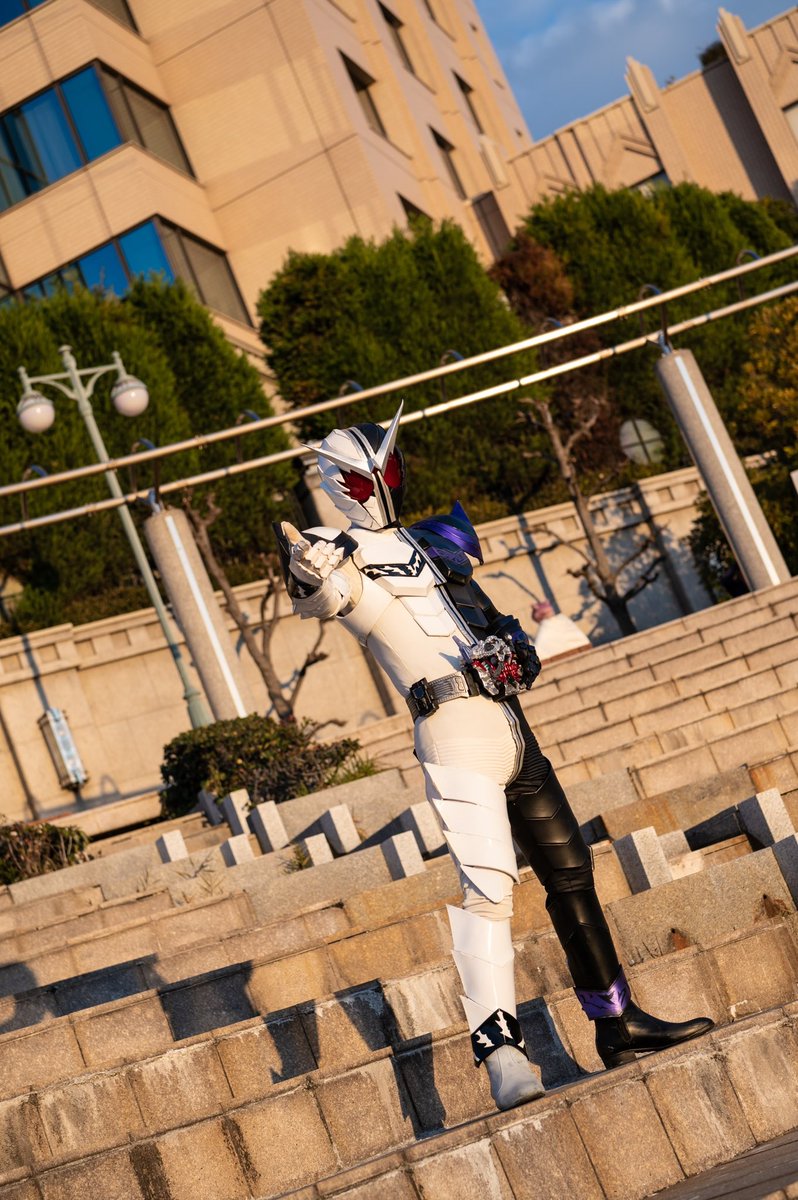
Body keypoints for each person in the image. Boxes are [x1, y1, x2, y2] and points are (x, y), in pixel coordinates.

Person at [274, 404, 713, 1111]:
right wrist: (308, 568)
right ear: (339, 483)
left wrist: (517, 651)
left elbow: (496, 620)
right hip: (453, 735)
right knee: (488, 888)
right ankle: (503, 1054)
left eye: (389, 466)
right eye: (367, 473)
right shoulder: (338, 549)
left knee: (572, 873)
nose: (383, 481)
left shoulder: (433, 542)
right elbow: (327, 593)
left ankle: (617, 1021)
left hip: (510, 729)